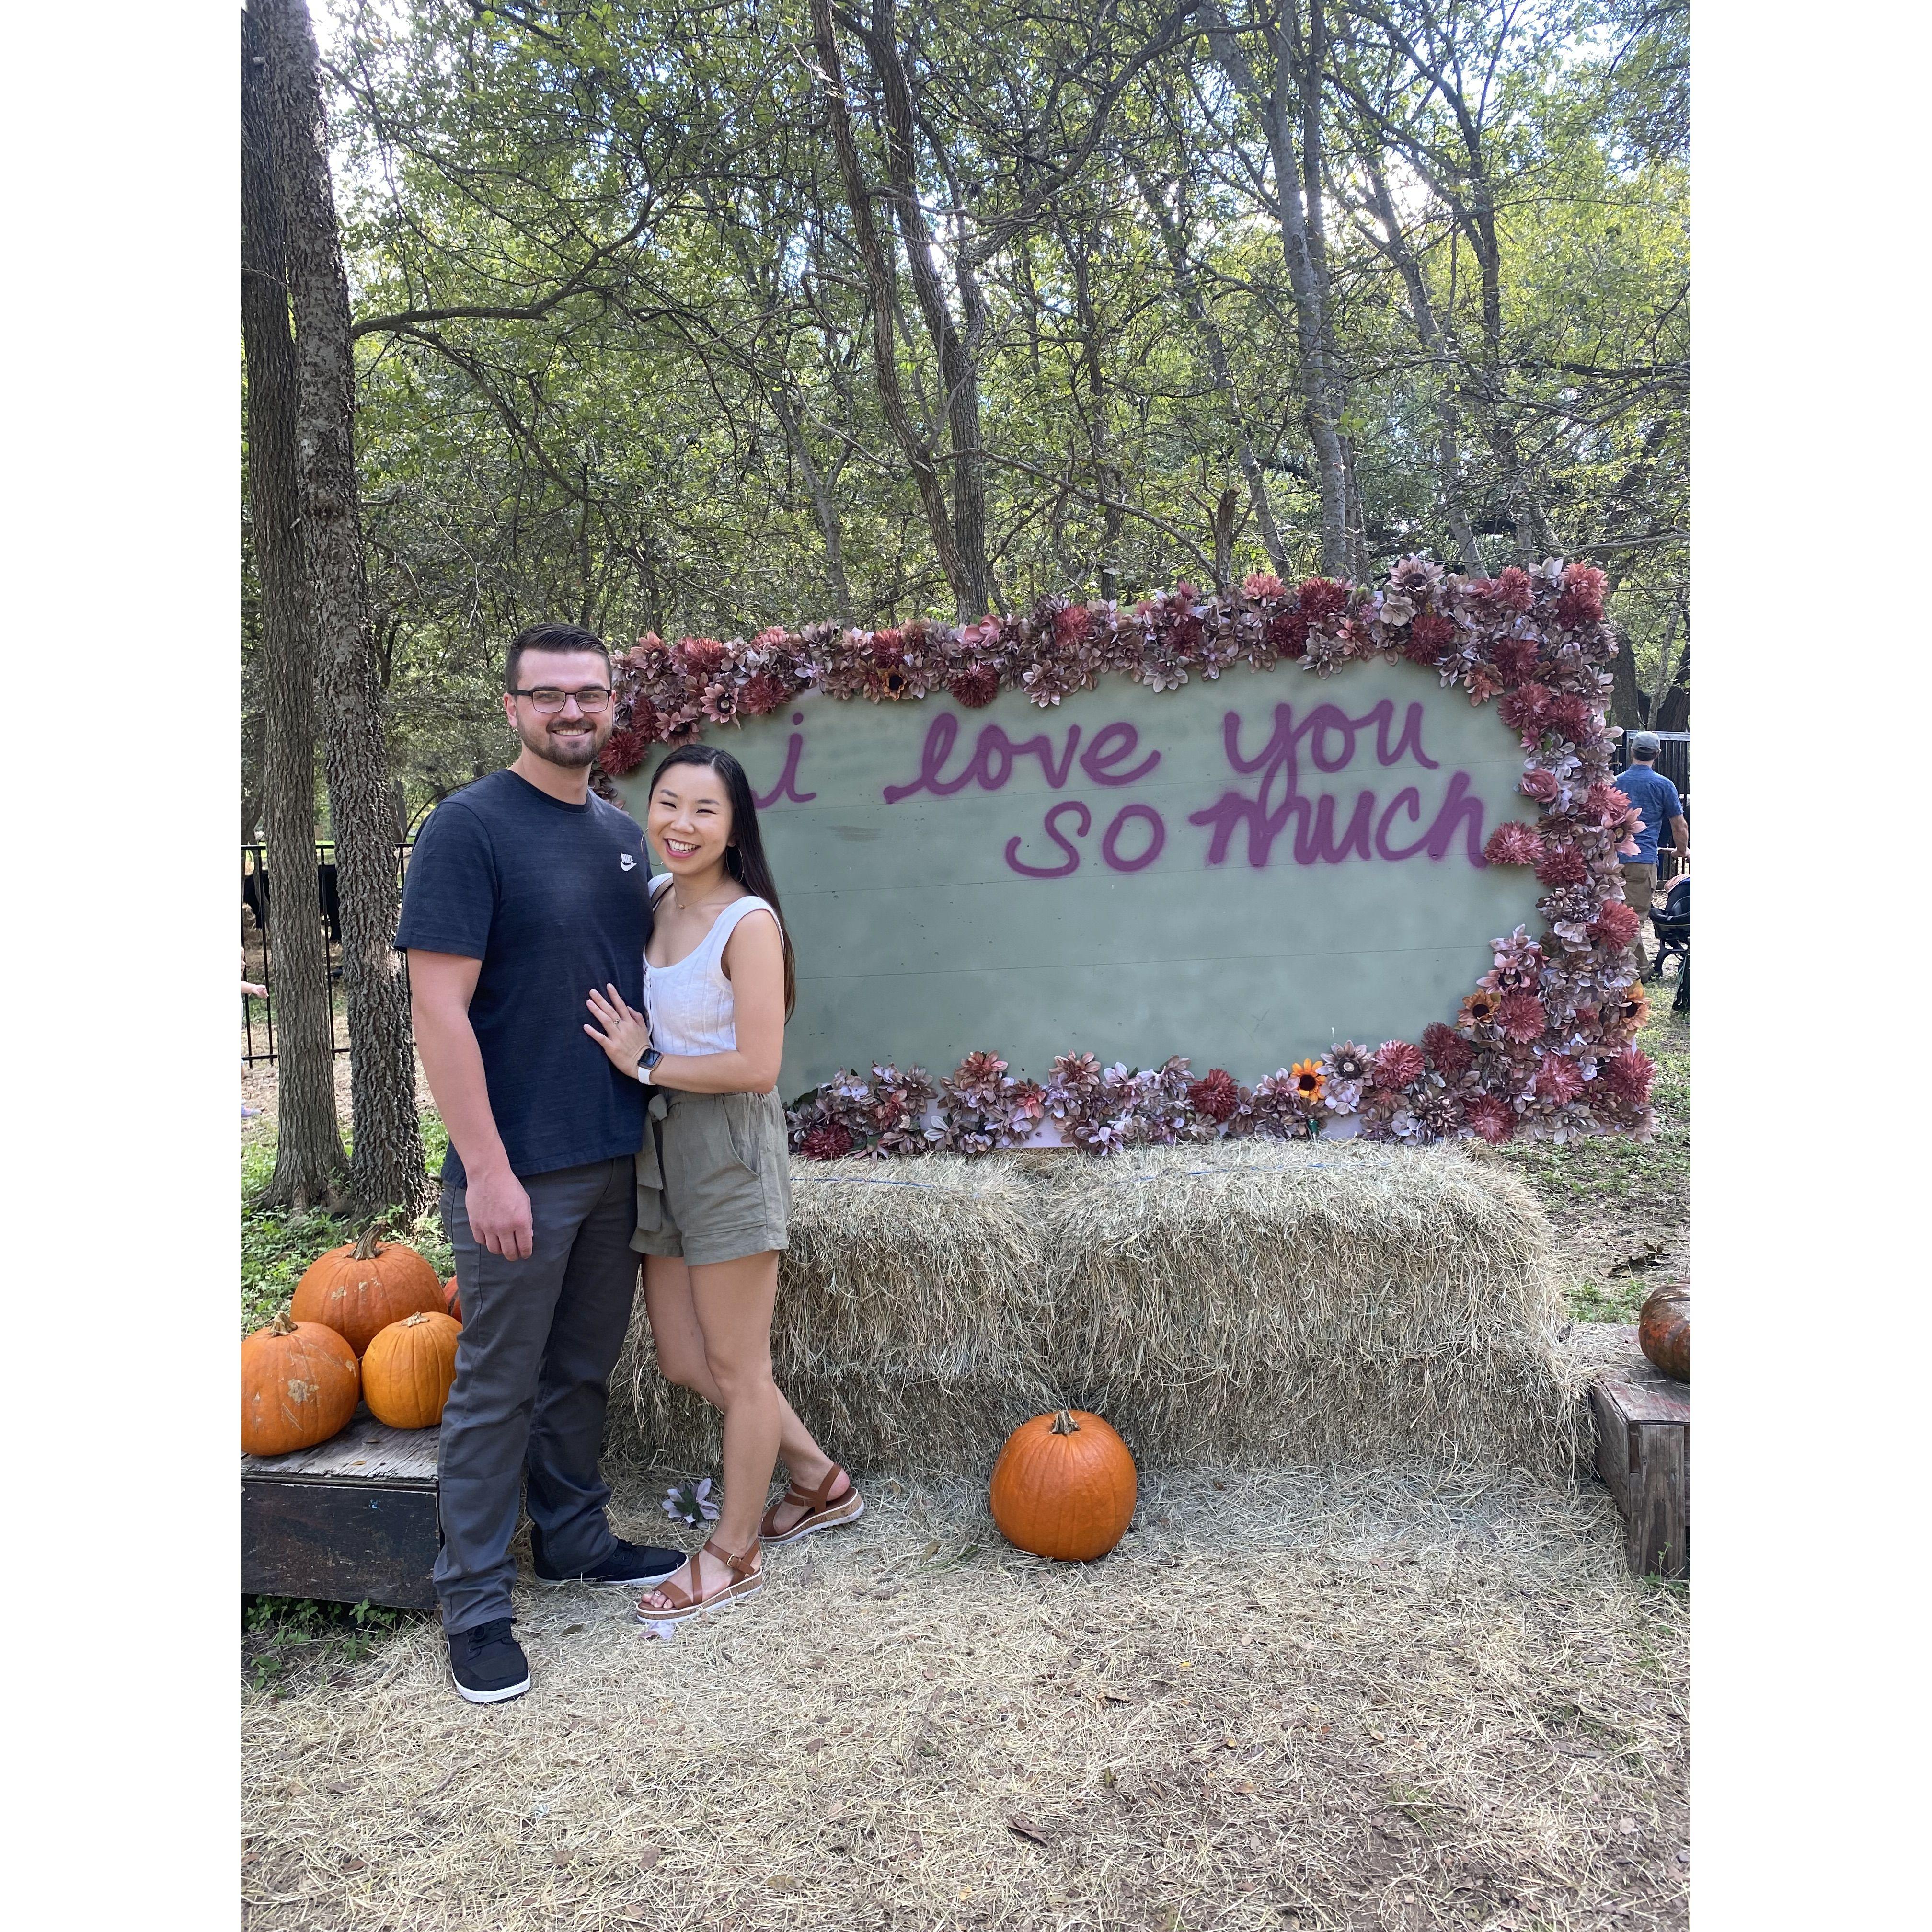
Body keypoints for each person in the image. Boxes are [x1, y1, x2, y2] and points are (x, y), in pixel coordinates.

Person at [396, 621, 685, 1704]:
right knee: (495, 1387)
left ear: (614, 706)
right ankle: (472, 1603)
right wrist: (488, 1168)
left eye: (592, 693)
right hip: (517, 1169)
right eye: (550, 693)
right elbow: (438, 1007)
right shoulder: (468, 831)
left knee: (579, 1371)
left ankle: (573, 1538)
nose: (574, 710)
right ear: (512, 707)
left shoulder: (621, 835)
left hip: (614, 1154)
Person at [583, 743, 862, 1626]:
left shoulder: (749, 924)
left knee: (741, 1367)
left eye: (704, 809)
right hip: (656, 1143)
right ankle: (818, 1477)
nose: (681, 823)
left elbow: (757, 1064)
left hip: (726, 1149)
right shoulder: (657, 902)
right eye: (667, 803)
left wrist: (648, 1061)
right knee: (683, 1358)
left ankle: (732, 1552)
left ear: (735, 824)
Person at [1615, 730, 1689, 970]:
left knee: (1617, 916)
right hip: (1642, 859)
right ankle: (1618, 974)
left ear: (1631, 752)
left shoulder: (1614, 782)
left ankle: (1643, 970)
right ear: (1657, 754)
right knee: (1633, 919)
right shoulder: (1663, 785)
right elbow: (1679, 825)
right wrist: (1682, 850)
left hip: (1609, 862)